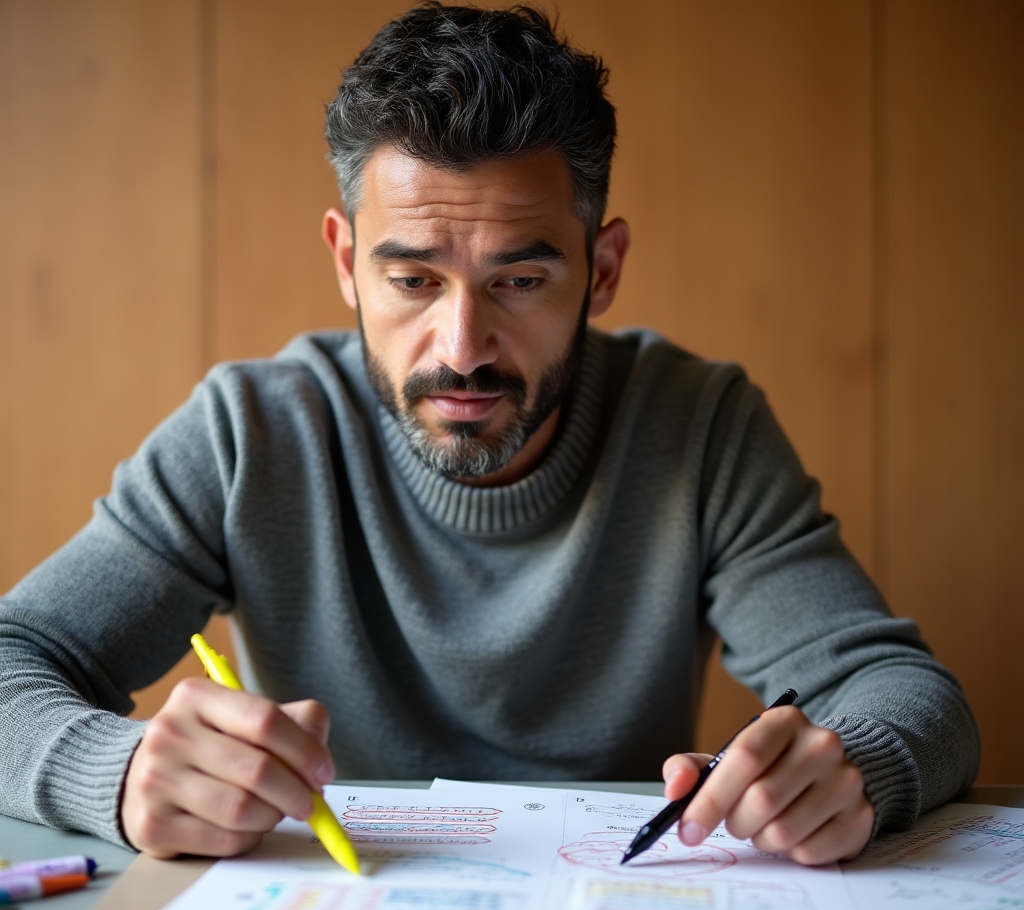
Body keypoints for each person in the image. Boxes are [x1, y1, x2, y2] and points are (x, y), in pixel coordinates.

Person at [0, 3, 978, 866]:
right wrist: (116, 772)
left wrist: (852, 765)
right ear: (346, 261)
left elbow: (899, 689)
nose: (462, 348)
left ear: (601, 270)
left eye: (519, 280)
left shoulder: (698, 427)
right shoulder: (249, 435)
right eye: (412, 279)